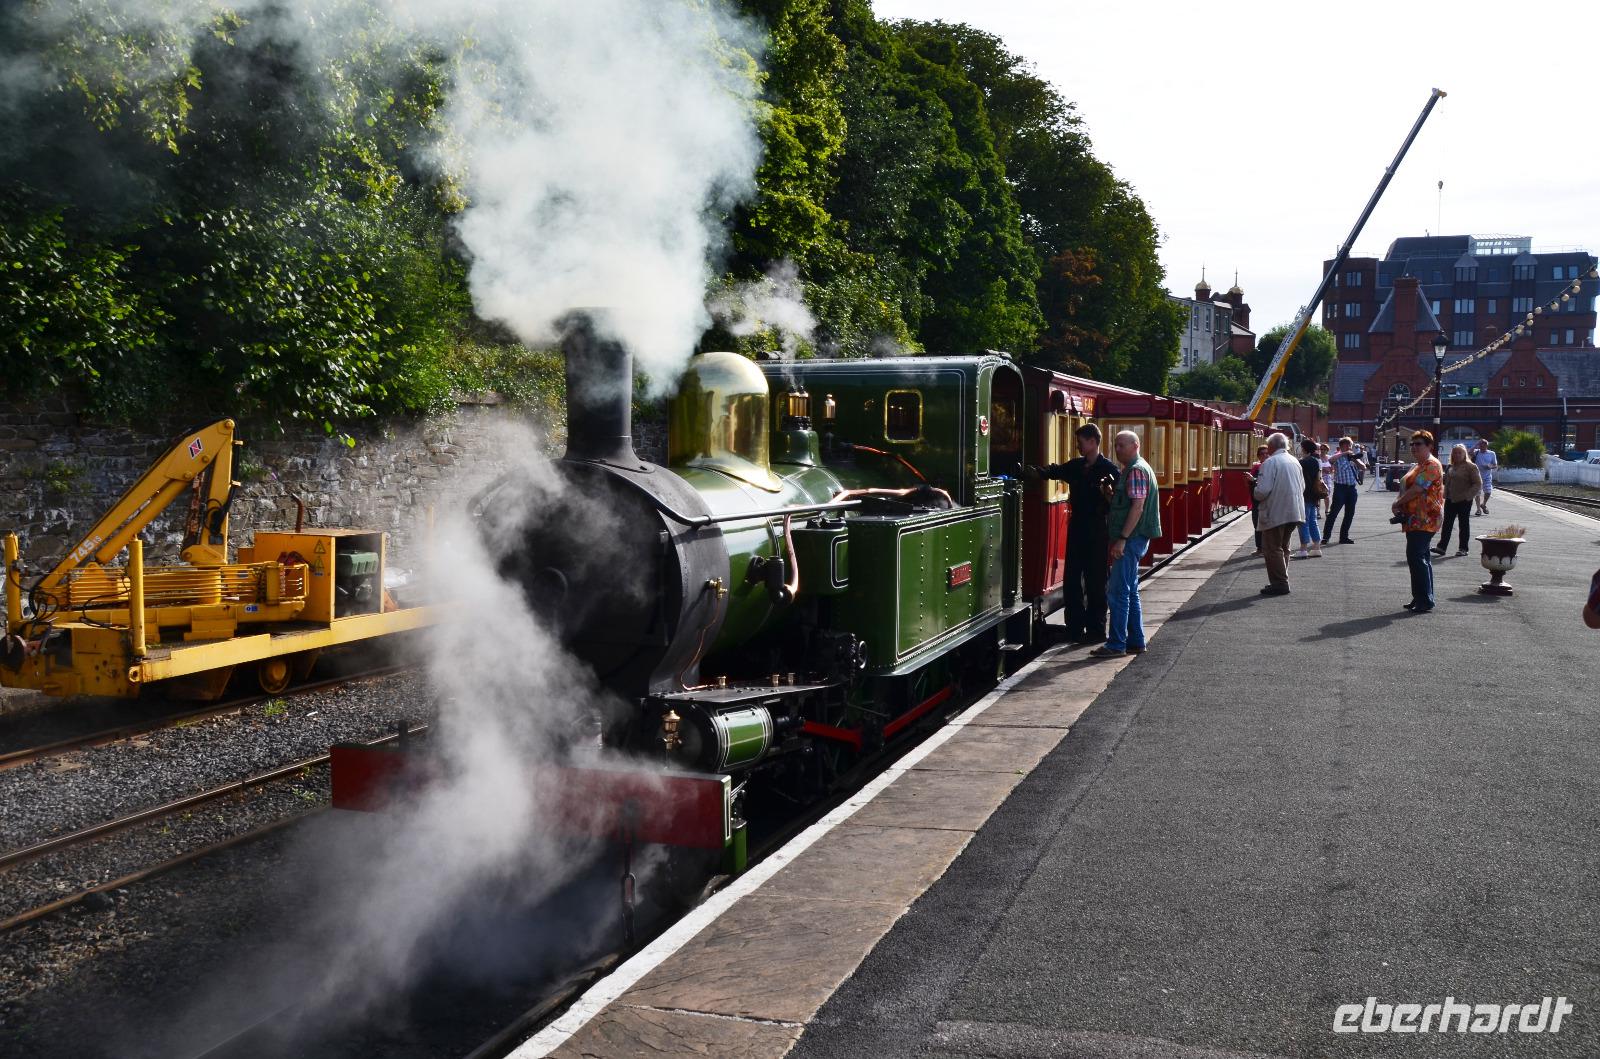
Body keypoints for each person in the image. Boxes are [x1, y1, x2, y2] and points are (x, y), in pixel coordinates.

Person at [1027, 424, 1120, 645]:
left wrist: (1108, 497)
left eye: (1081, 441)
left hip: (1098, 529)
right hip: (1077, 527)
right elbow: (1055, 470)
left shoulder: (1109, 470)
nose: (1078, 445)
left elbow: (1117, 503)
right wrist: (1034, 472)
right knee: (1071, 581)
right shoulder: (1077, 466)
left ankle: (1096, 630)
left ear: (1092, 442)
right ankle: (1075, 628)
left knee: (1096, 581)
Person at [1090, 429, 1160, 658]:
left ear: (1135, 445)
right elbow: (1127, 504)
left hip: (1130, 539)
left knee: (1118, 592)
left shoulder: (1137, 471)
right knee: (1130, 592)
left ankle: (1117, 644)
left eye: (1122, 445)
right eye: (1116, 445)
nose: (1117, 449)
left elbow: (1137, 507)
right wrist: (1110, 495)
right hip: (1134, 538)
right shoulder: (1134, 469)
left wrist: (1122, 539)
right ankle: (1135, 641)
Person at [1393, 430, 1445, 613]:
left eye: (1419, 444)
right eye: (1412, 444)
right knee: (1420, 558)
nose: (1414, 447)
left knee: (1416, 557)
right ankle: (1421, 597)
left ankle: (1424, 599)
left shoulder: (1431, 465)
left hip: (1426, 518)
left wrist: (1398, 502)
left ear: (1430, 446)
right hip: (1415, 518)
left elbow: (1417, 488)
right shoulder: (1419, 465)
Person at [1252, 432, 1305, 595]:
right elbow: (1302, 486)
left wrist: (1254, 489)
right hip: (1294, 511)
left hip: (1276, 511)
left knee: (1272, 548)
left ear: (1271, 446)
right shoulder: (1294, 461)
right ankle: (1281, 579)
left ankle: (1280, 583)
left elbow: (1262, 491)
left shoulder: (1270, 463)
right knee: (1284, 547)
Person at [1434, 444, 1482, 557]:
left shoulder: (1471, 466)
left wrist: (1468, 496)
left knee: (1463, 524)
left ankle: (1463, 548)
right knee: (1447, 524)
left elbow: (1478, 483)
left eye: (1459, 452)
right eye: (1455, 453)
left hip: (1464, 499)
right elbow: (1446, 481)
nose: (1457, 455)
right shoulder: (1451, 466)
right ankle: (1442, 547)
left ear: (1465, 454)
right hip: (1451, 499)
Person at [1322, 437, 1365, 544]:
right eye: (1347, 446)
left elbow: (1363, 467)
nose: (1349, 448)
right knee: (1333, 513)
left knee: (1349, 514)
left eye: (1350, 445)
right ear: (1341, 446)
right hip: (1340, 488)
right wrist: (1344, 453)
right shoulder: (1337, 456)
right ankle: (1326, 537)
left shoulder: (1352, 457)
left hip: (1351, 489)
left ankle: (1344, 537)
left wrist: (1354, 459)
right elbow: (1330, 460)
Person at [1293, 437, 1324, 559]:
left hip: (1304, 494)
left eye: (1301, 448)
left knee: (1303, 522)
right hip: (1314, 495)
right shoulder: (1316, 461)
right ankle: (1316, 547)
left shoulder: (1302, 463)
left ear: (1305, 449)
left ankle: (1303, 549)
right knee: (1312, 521)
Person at [1247, 443, 1269, 556]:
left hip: (1267, 501)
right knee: (1256, 524)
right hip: (1256, 500)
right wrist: (1250, 480)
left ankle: (1265, 548)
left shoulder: (1271, 467)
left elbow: (1265, 483)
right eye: (1262, 454)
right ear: (1258, 456)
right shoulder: (1256, 467)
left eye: (1267, 453)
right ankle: (1259, 548)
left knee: (1266, 524)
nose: (1265, 456)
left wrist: (1253, 480)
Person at [1473, 439, 1498, 515]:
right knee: (1477, 493)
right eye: (1480, 445)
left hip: (1487, 476)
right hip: (1477, 476)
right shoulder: (1476, 452)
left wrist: (1490, 466)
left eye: (1483, 445)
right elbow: (1468, 453)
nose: (1482, 447)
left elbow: (1495, 465)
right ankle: (1478, 510)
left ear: (1487, 445)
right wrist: (1476, 444)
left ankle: (1483, 504)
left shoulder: (1492, 453)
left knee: (1488, 492)